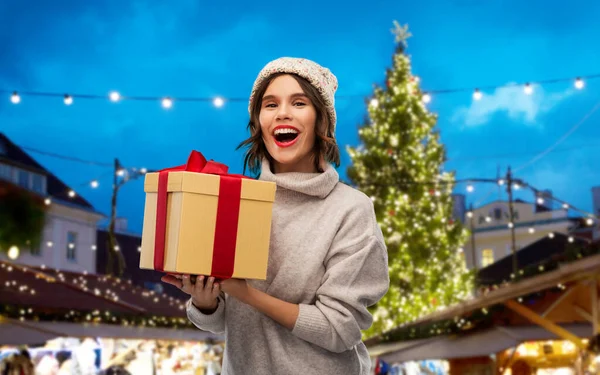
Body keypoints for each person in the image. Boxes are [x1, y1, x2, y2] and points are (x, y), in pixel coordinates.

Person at [162, 57, 390, 374]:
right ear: (259, 123)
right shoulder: (236, 200)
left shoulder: (350, 209)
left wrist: (245, 293)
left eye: (299, 102)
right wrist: (206, 300)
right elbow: (223, 321)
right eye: (270, 104)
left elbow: (340, 329)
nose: (282, 112)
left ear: (322, 122)